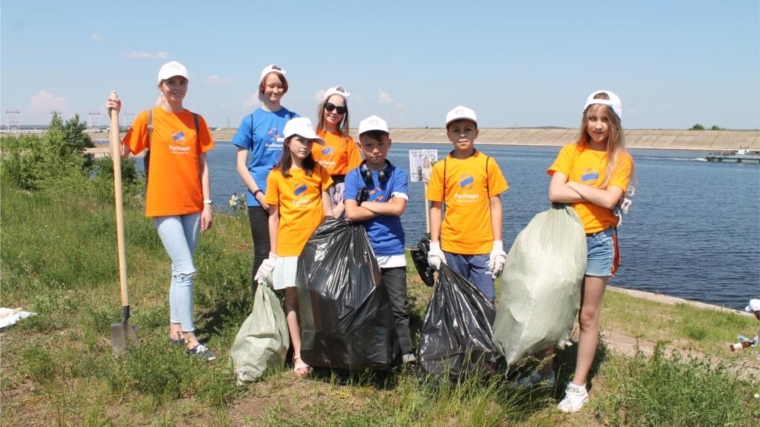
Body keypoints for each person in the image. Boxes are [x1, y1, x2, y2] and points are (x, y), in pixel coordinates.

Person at [107, 60, 216, 360]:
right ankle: (192, 340)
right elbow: (122, 152)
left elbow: (202, 164)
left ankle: (174, 328)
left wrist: (207, 204)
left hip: (193, 205)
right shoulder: (149, 118)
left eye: (181, 82)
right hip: (163, 205)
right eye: (171, 83)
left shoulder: (196, 121)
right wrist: (112, 117)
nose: (177, 88)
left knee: (178, 271)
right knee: (186, 269)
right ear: (161, 86)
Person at [548, 90, 634, 412]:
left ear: (614, 124)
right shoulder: (571, 151)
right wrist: (594, 192)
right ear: (585, 120)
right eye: (592, 118)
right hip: (566, 237)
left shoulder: (621, 159)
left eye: (605, 119)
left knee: (587, 315)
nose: (597, 125)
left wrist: (576, 189)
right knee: (555, 308)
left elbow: (611, 201)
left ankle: (578, 385)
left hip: (599, 241)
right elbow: (554, 191)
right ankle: (544, 371)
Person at [253, 117, 333, 376]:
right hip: (288, 247)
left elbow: (328, 211)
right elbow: (274, 217)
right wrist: (273, 254)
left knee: (315, 299)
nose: (305, 145)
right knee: (292, 299)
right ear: (288, 142)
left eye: (309, 141)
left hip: (316, 248)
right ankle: (298, 353)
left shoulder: (319, 171)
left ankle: (318, 348)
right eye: (300, 140)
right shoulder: (276, 176)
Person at [344, 115, 416, 365]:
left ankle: (406, 354)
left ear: (389, 143)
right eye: (369, 145)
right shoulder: (353, 176)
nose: (375, 151)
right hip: (363, 252)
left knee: (398, 308)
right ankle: (370, 354)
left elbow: (398, 209)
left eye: (380, 144)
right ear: (359, 146)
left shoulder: (398, 173)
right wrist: (382, 205)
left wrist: (364, 203)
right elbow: (351, 214)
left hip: (393, 251)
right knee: (365, 306)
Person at [425, 106, 509, 302]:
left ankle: (483, 334)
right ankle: (459, 334)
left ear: (476, 133)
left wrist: (498, 245)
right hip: (452, 247)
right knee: (455, 300)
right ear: (448, 136)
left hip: (482, 247)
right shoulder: (442, 168)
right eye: (456, 130)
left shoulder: (488, 164)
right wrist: (434, 245)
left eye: (467, 129)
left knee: (485, 299)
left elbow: (495, 206)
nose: (462, 135)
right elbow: (435, 208)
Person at [232, 64, 299, 296]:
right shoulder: (250, 120)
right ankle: (260, 309)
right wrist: (258, 194)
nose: (275, 90)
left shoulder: (293, 118)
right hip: (258, 197)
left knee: (288, 253)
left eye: (280, 85)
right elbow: (241, 164)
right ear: (263, 87)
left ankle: (286, 305)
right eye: (271, 85)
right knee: (263, 253)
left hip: (289, 197)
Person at [311, 86, 363, 219]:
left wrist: (341, 207)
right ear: (323, 107)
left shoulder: (347, 141)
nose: (334, 112)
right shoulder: (309, 136)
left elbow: (356, 178)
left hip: (338, 193)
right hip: (313, 190)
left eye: (340, 109)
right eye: (330, 107)